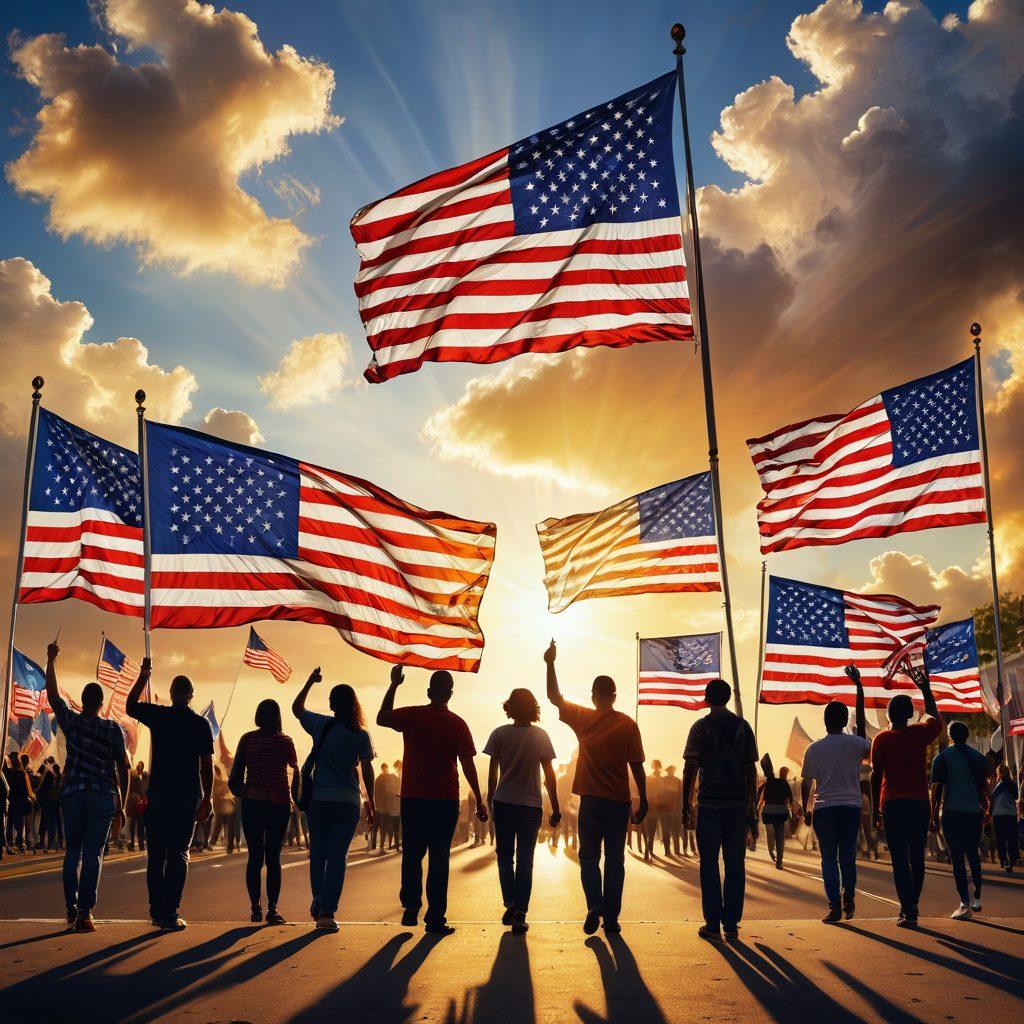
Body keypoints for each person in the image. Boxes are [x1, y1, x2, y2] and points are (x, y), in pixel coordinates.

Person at [544, 640, 647, 935]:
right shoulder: (628, 724)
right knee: (615, 859)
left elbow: (554, 696)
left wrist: (550, 662)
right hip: (618, 802)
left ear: (593, 696)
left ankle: (594, 906)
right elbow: (637, 765)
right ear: (614, 696)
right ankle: (612, 918)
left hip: (591, 802)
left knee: (589, 857)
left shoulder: (585, 718)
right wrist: (644, 800)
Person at [377, 663, 486, 937]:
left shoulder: (413, 716)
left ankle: (411, 907)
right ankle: (435, 917)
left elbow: (382, 717)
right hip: (444, 800)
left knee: (412, 855)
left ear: (429, 692)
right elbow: (468, 764)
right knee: (439, 859)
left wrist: (394, 685)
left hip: (414, 799)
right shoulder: (458, 724)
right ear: (450, 694)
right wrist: (480, 800)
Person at [44, 642, 129, 932]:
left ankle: (70, 906)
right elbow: (123, 767)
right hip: (102, 796)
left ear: (81, 701)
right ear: (102, 703)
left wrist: (51, 660)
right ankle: (85, 913)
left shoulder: (72, 722)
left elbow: (53, 696)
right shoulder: (112, 729)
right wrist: (123, 804)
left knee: (73, 853)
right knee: (93, 854)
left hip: (73, 794)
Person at [126, 659, 214, 931]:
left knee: (156, 855)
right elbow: (206, 767)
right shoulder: (201, 725)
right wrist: (207, 797)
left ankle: (156, 910)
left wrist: (143, 676)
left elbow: (130, 706)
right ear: (190, 696)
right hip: (185, 796)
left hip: (160, 794)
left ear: (172, 694)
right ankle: (171, 911)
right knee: (178, 854)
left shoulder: (160, 716)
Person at [293, 668, 375, 932]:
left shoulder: (321, 725)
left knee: (318, 853)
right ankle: (327, 912)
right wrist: (370, 802)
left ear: (334, 704)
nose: (328, 703)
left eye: (331, 699)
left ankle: (318, 898)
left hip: (320, 800)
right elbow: (368, 770)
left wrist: (309, 682)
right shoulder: (361, 734)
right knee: (338, 856)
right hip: (348, 801)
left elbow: (297, 708)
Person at [682, 678, 758, 942]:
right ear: (727, 697)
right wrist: (752, 809)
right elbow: (750, 769)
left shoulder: (700, 728)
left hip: (710, 804)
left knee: (709, 864)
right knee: (735, 863)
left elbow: (690, 768)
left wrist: (685, 805)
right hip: (737, 805)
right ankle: (732, 924)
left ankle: (712, 923)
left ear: (706, 698)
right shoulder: (743, 727)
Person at [484, 687, 560, 934]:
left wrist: (489, 798)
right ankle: (520, 912)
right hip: (531, 806)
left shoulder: (499, 734)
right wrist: (556, 806)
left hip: (504, 802)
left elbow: (493, 772)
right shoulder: (541, 735)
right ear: (533, 708)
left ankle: (510, 902)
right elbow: (549, 775)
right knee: (526, 860)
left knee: (505, 856)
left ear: (510, 707)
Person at [870, 666, 940, 928]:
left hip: (893, 803)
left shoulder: (882, 739)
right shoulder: (920, 733)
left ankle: (907, 907)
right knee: (917, 857)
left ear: (889, 715)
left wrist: (877, 807)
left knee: (899, 858)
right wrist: (925, 688)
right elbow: (935, 717)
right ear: (911, 714)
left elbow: (877, 775)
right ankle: (914, 905)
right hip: (919, 803)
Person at [800, 665, 870, 922]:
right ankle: (848, 895)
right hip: (851, 807)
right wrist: (859, 689)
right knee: (848, 857)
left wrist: (805, 809)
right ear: (844, 721)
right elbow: (862, 731)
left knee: (828, 858)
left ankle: (834, 906)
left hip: (824, 808)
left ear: (825, 721)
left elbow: (807, 782)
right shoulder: (856, 744)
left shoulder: (814, 749)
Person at [230, 699, 299, 925]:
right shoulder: (285, 742)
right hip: (278, 805)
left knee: (255, 857)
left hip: (252, 805)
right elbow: (294, 772)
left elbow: (234, 780)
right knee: (273, 858)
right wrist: (296, 800)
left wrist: (247, 793)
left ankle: (255, 908)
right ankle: (272, 909)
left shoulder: (247, 739)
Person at [930, 720, 991, 919]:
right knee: (973, 853)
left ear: (950, 736)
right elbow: (984, 785)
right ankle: (977, 897)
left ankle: (963, 902)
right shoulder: (978, 757)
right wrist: (987, 807)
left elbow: (936, 789)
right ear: (966, 736)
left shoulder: (942, 757)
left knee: (956, 856)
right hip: (973, 812)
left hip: (952, 812)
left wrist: (933, 816)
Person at [759, 760, 795, 871]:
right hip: (780, 813)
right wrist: (791, 812)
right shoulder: (784, 783)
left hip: (768, 812)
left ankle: (771, 853)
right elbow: (791, 799)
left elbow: (761, 798)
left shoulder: (767, 783)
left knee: (770, 836)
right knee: (780, 838)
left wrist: (758, 809)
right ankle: (779, 861)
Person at [990, 764, 1019, 873]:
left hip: (999, 815)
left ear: (1000, 773)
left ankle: (1004, 860)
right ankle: (1012, 858)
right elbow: (1016, 796)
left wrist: (990, 812)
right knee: (1011, 837)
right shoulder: (1012, 783)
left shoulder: (1000, 784)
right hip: (1011, 814)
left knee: (1001, 839)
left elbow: (992, 797)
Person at [5, 751, 34, 852]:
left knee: (11, 821)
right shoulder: (21, 773)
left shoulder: (8, 772)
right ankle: (19, 842)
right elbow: (25, 788)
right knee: (19, 822)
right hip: (19, 800)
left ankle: (10, 841)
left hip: (12, 800)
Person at [643, 760, 670, 861]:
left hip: (658, 807)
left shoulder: (652, 779)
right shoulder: (651, 779)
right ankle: (649, 851)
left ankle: (652, 851)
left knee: (657, 830)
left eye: (658, 767)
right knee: (652, 830)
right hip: (654, 807)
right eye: (656, 767)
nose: (657, 769)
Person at [35, 758, 62, 852]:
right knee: (52, 821)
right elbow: (59, 780)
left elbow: (37, 779)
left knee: (44, 819)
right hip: (52, 800)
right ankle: (51, 842)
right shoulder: (55, 768)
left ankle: (42, 842)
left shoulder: (43, 768)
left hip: (44, 799)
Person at [375, 762, 400, 855]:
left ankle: (393, 846)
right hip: (383, 808)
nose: (385, 770)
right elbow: (376, 794)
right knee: (384, 828)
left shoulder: (387, 778)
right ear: (382, 769)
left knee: (389, 828)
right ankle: (383, 848)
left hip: (387, 808)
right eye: (384, 768)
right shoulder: (379, 779)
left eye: (386, 768)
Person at [126, 762, 149, 851]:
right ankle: (135, 843)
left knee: (138, 825)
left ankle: (138, 844)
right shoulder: (135, 777)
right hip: (135, 804)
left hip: (139, 804)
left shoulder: (143, 777)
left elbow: (143, 789)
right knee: (135, 825)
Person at [663, 765, 683, 855]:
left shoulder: (677, 781)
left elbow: (681, 795)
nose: (671, 772)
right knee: (669, 831)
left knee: (673, 831)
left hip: (673, 809)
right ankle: (671, 850)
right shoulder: (665, 780)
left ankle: (673, 850)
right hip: (668, 809)